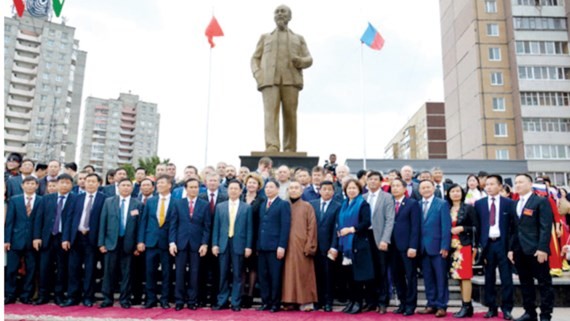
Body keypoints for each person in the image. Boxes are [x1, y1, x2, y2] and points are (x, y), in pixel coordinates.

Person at [251, 4, 313, 152]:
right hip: (269, 80)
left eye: (283, 12)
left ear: (289, 16)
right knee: (270, 114)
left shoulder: (298, 38)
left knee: (290, 114)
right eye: (277, 12)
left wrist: (301, 61)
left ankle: (290, 147)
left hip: (291, 80)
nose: (280, 14)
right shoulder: (265, 37)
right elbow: (255, 58)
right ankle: (272, 145)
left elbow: (309, 58)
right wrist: (258, 75)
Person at [508, 173, 554, 321]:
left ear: (530, 184)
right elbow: (514, 229)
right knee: (525, 283)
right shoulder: (515, 203)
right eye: (516, 182)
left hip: (536, 250)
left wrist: (542, 248)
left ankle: (546, 314)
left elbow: (546, 227)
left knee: (544, 283)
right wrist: (511, 249)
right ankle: (530, 312)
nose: (517, 184)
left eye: (521, 182)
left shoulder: (540, 201)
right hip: (519, 250)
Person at [61, 173, 106, 308]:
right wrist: (66, 238)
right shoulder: (76, 198)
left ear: (99, 183)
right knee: (73, 269)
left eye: (93, 181)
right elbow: (69, 219)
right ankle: (72, 297)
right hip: (76, 238)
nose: (90, 184)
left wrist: (101, 241)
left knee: (90, 270)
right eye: (88, 181)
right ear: (84, 183)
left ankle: (88, 297)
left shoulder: (104, 199)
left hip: (92, 239)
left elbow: (105, 222)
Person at [474, 174, 515, 320]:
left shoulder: (509, 203)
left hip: (503, 244)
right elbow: (477, 227)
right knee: (489, 278)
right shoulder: (479, 204)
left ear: (500, 186)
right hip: (487, 245)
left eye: (492, 184)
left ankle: (507, 309)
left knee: (506, 278)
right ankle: (491, 307)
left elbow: (513, 228)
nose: (489, 187)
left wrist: (511, 248)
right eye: (487, 185)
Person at [33, 174, 77, 305]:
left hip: (64, 239)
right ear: (57, 184)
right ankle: (43, 295)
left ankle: (59, 295)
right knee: (44, 267)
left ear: (71, 185)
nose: (64, 185)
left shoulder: (75, 199)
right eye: (62, 182)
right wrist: (36, 237)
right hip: (47, 238)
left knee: (62, 268)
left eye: (67, 183)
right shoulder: (46, 199)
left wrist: (67, 238)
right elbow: (38, 219)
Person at [98, 178, 142, 309]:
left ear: (132, 188)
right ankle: (107, 299)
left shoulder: (137, 204)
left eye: (128, 185)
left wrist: (137, 245)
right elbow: (103, 223)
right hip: (111, 242)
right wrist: (101, 243)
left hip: (129, 244)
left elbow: (139, 226)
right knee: (109, 273)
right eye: (123, 185)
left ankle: (125, 299)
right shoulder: (109, 202)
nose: (126, 188)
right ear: (118, 187)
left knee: (127, 274)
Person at [169, 178, 211, 311]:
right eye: (191, 187)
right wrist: (172, 242)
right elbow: (173, 225)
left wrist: (204, 244)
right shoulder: (177, 203)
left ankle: (192, 300)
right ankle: (179, 300)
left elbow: (207, 226)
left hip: (197, 244)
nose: (194, 189)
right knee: (180, 273)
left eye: (196, 187)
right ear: (186, 189)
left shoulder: (204, 204)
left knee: (195, 273)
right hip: (180, 243)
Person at [212, 180, 253, 311]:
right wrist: (214, 244)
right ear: (227, 190)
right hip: (223, 244)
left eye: (236, 189)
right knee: (223, 274)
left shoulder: (246, 207)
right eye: (231, 188)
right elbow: (216, 227)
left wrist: (248, 246)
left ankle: (236, 302)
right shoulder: (220, 206)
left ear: (241, 191)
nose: (233, 191)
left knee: (237, 274)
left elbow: (249, 229)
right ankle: (222, 300)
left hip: (239, 244)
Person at [336, 178, 373, 314]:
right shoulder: (344, 204)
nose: (351, 190)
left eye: (354, 188)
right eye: (349, 188)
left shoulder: (363, 204)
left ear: (359, 190)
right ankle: (351, 301)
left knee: (358, 276)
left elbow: (366, 222)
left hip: (358, 243)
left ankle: (358, 302)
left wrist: (351, 229)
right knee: (348, 275)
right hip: (345, 245)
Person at [137, 175, 174, 309]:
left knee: (166, 273)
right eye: (157, 183)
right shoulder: (151, 201)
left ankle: (164, 299)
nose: (159, 185)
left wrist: (173, 242)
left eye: (162, 183)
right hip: (151, 242)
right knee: (150, 272)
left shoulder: (176, 202)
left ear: (169, 185)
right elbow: (144, 222)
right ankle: (150, 299)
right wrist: (141, 240)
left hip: (167, 243)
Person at [5, 176, 42, 305]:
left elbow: (40, 222)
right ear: (22, 186)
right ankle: (10, 294)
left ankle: (26, 295)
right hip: (15, 240)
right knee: (11, 269)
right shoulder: (15, 200)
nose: (30, 186)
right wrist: (6, 240)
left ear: (37, 186)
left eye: (33, 183)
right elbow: (9, 221)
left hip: (33, 241)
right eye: (28, 183)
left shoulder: (41, 201)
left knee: (31, 269)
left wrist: (38, 237)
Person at [417, 179, 451, 318]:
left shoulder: (442, 204)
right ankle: (431, 303)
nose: (425, 190)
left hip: (438, 247)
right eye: (423, 188)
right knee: (428, 278)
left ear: (433, 188)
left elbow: (446, 227)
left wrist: (445, 246)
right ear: (419, 190)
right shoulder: (417, 205)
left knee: (440, 277)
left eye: (428, 187)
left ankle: (441, 305)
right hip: (423, 248)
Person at [282, 181, 318, 311]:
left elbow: (312, 227)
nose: (293, 190)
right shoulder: (284, 206)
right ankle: (289, 300)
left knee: (304, 273)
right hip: (286, 246)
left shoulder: (307, 206)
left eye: (296, 188)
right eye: (291, 188)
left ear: (301, 191)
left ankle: (306, 301)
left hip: (302, 245)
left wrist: (310, 244)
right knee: (288, 274)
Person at [257, 179, 291, 313]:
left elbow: (285, 226)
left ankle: (275, 303)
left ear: (277, 189)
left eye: (271, 187)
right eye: (266, 187)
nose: (268, 190)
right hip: (262, 246)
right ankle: (265, 302)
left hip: (275, 247)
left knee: (275, 276)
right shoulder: (263, 204)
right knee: (263, 276)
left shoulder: (283, 204)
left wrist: (282, 246)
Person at [363, 171, 395, 314]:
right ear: (366, 182)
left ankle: (382, 302)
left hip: (380, 238)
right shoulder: (363, 197)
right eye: (370, 179)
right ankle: (371, 301)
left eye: (376, 179)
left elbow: (390, 220)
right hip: (365, 238)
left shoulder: (387, 197)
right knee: (368, 270)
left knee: (381, 271)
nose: (373, 182)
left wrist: (385, 239)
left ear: (381, 182)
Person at [446, 184, 479, 318]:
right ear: (448, 194)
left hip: (464, 246)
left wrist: (463, 228)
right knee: (458, 277)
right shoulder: (446, 208)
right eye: (452, 191)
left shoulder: (469, 208)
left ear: (462, 193)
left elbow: (476, 228)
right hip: (451, 247)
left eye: (458, 191)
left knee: (465, 276)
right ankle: (467, 306)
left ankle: (466, 305)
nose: (455, 193)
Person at [389, 178, 420, 316]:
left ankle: (410, 305)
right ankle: (402, 302)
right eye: (393, 186)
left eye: (397, 186)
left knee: (410, 276)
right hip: (392, 246)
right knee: (397, 276)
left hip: (407, 246)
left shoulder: (412, 204)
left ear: (404, 189)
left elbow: (415, 226)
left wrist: (413, 246)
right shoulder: (389, 203)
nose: (394, 188)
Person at [309, 180, 341, 312]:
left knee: (329, 276)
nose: (327, 191)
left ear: (333, 192)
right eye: (324, 189)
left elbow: (336, 228)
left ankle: (328, 302)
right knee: (315, 276)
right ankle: (318, 301)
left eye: (329, 189)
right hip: (314, 246)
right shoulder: (312, 205)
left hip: (329, 246)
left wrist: (334, 246)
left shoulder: (338, 206)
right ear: (320, 191)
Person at [198, 172, 228, 306]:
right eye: (210, 180)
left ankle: (216, 298)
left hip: (219, 240)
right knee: (201, 270)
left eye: (215, 180)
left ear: (219, 182)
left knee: (218, 271)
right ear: (205, 182)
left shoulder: (225, 197)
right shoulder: (200, 197)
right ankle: (202, 298)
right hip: (202, 240)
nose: (212, 183)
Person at [240, 173, 265, 308]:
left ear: (258, 186)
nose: (251, 185)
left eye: (254, 183)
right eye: (249, 182)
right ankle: (242, 294)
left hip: (255, 237)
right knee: (242, 267)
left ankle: (250, 295)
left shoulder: (261, 201)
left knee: (253, 267)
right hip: (240, 237)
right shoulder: (240, 197)